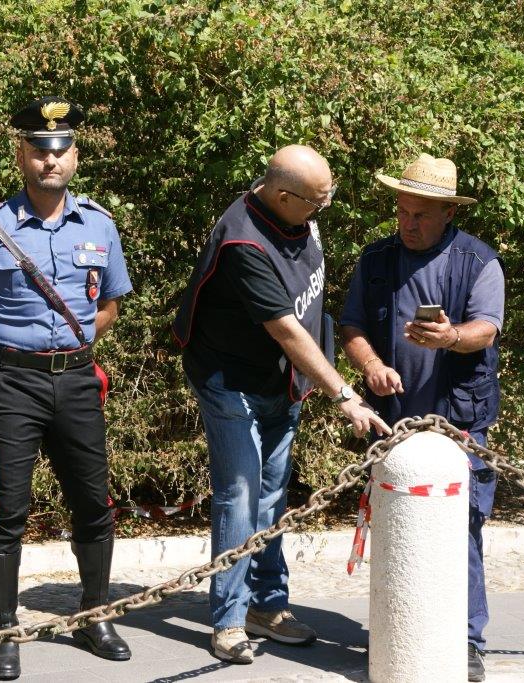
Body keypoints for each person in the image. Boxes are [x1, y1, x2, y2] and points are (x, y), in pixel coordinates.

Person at [0, 97, 133, 680]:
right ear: (22, 154)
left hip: (75, 379)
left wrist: (69, 351)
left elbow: (110, 304)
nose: (51, 160)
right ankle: (2, 632)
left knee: (94, 504)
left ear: (75, 155)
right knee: (6, 513)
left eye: (61, 150)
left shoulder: (99, 224)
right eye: (40, 150)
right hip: (13, 384)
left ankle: (95, 616)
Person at [172, 145, 390, 665]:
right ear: (283, 194)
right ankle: (227, 620)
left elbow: (308, 303)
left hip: (283, 383)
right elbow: (287, 330)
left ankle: (266, 606)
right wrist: (345, 396)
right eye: (317, 200)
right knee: (240, 495)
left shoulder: (300, 215)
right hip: (231, 383)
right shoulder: (243, 240)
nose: (324, 208)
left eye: (327, 197)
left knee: (272, 495)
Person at [339, 153, 504, 682]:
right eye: (402, 212)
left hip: (459, 423)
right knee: (392, 528)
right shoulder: (376, 259)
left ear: (447, 214)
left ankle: (467, 639)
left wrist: (452, 337)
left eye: (421, 215)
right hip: (394, 423)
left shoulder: (479, 262)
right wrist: (370, 365)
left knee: (464, 531)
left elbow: (487, 329)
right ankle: (396, 629)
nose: (408, 224)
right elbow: (352, 326)